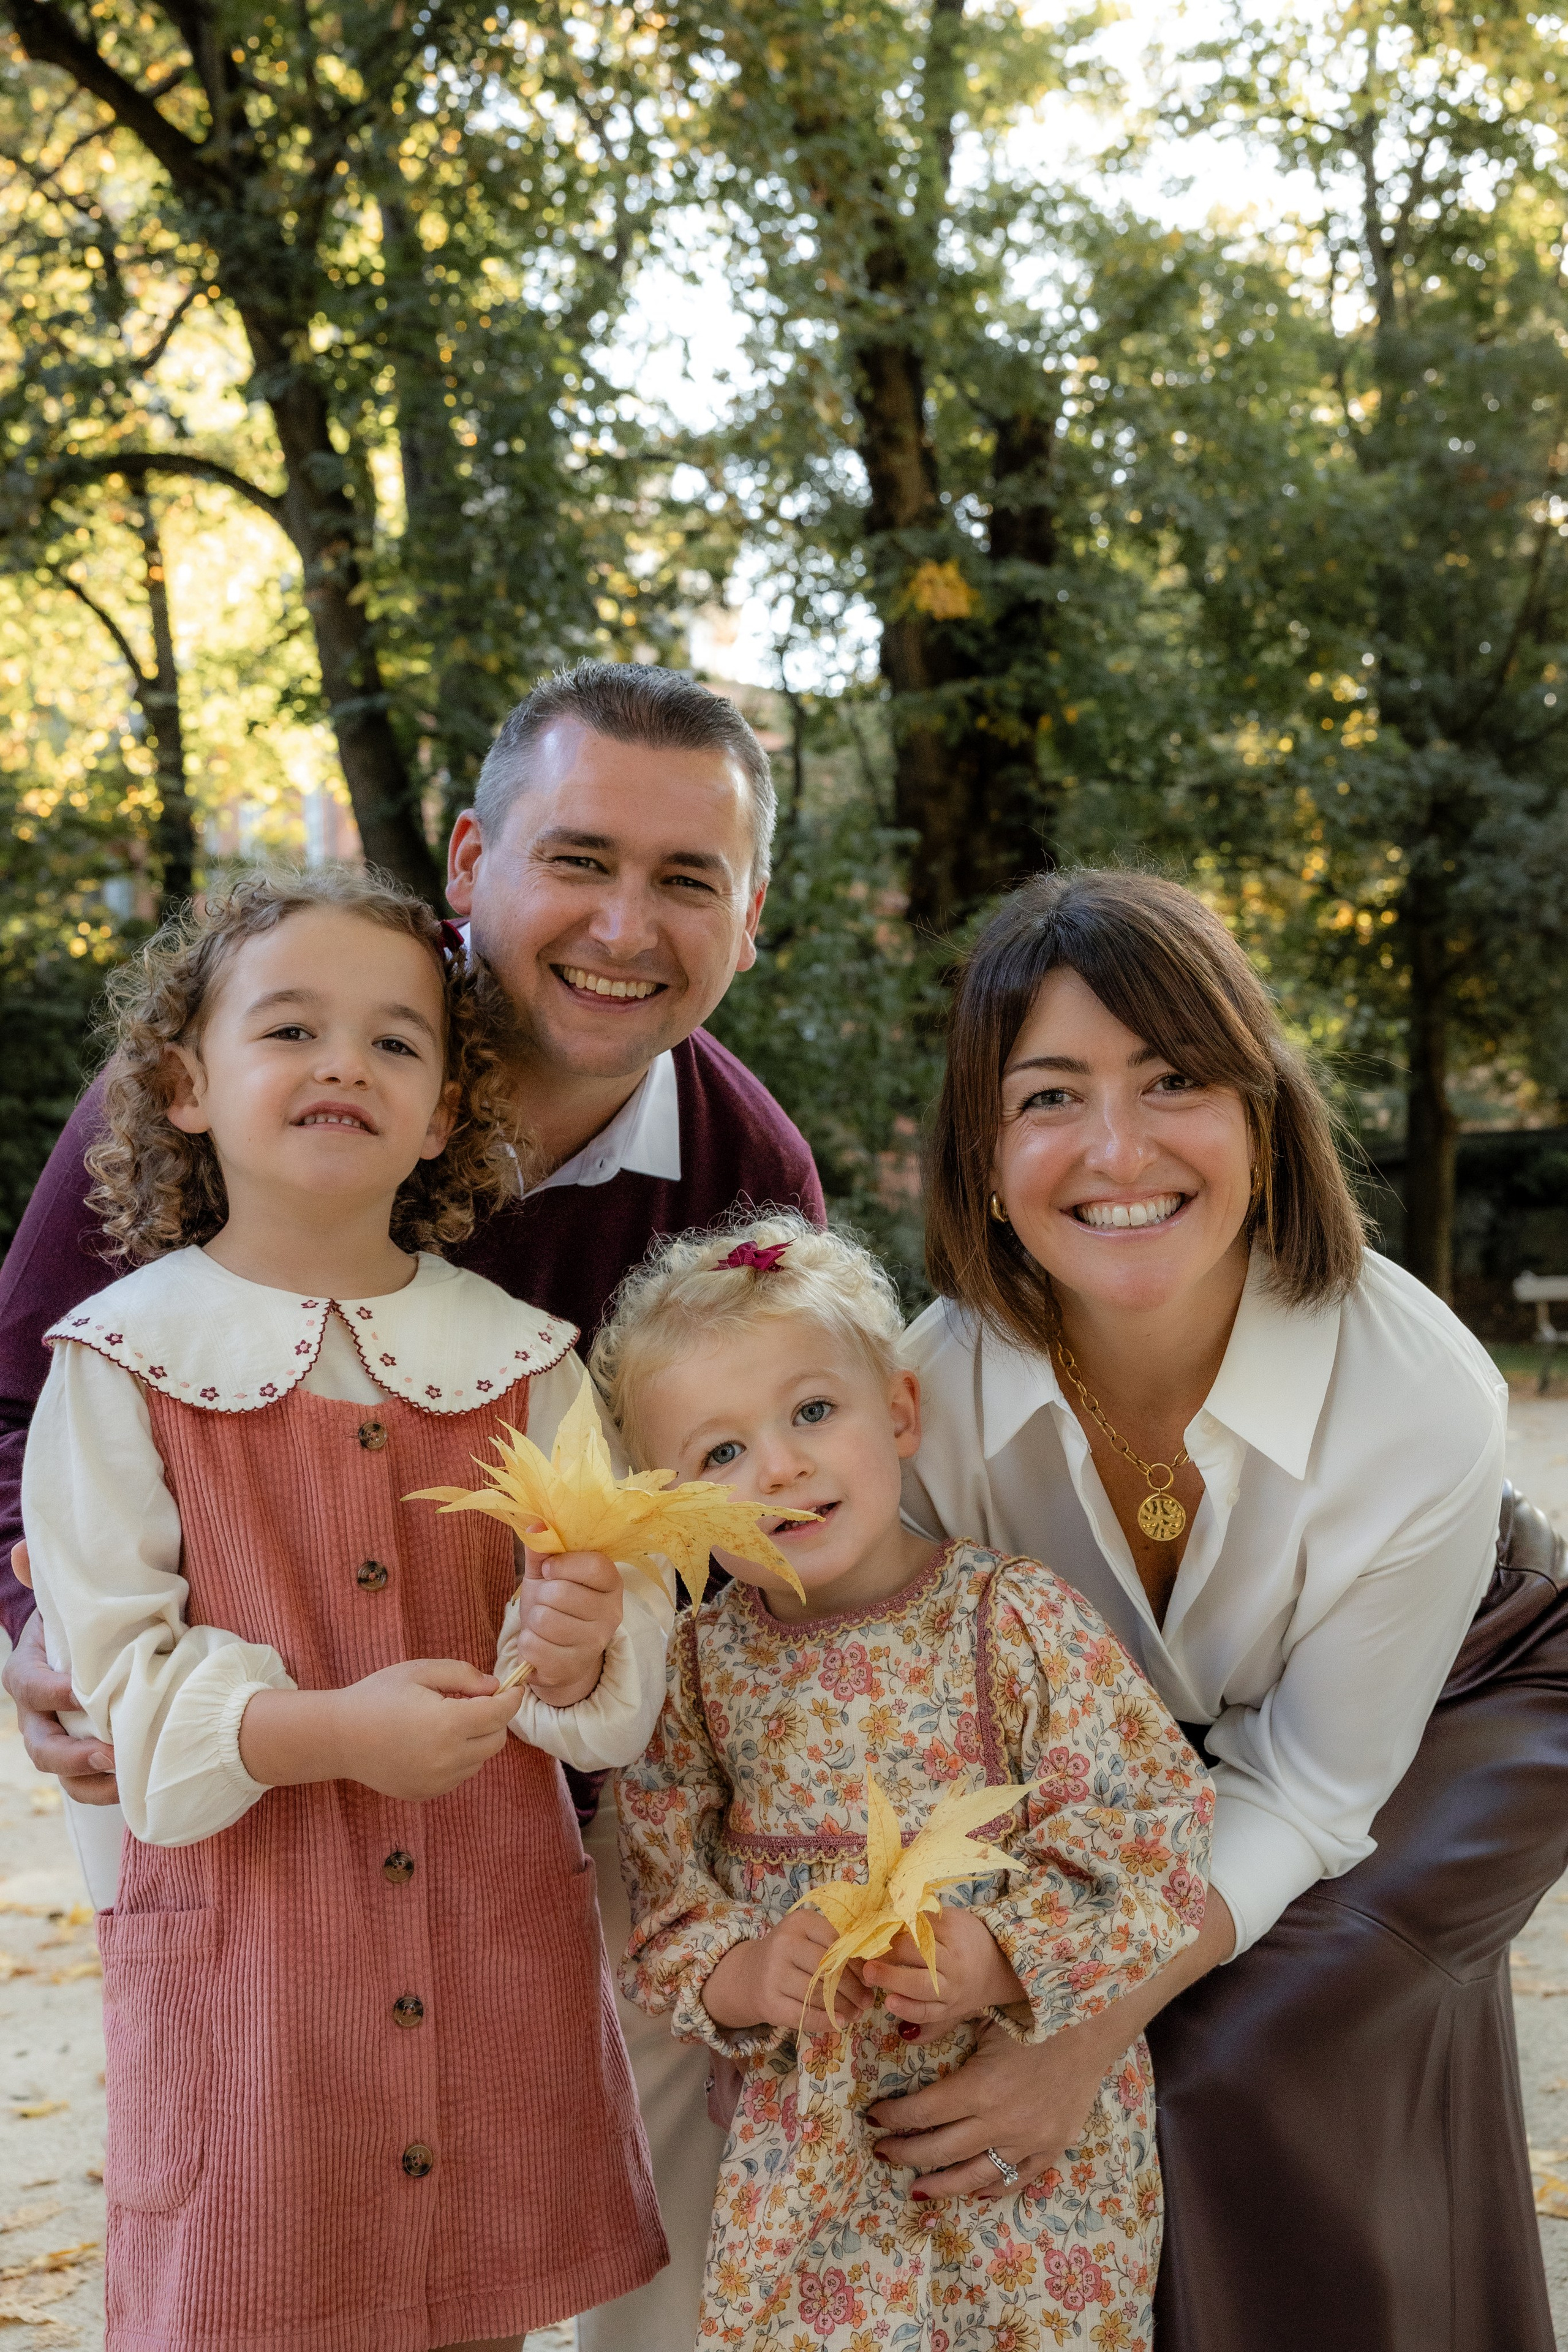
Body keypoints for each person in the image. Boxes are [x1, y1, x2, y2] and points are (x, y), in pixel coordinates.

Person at [0, 662, 823, 2351]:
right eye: (578, 857)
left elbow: (745, 1527)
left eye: (688, 879)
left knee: (522, 2167)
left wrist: (618, 1659)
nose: (624, 924)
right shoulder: (245, 1065)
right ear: (469, 862)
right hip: (212, 1749)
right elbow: (19, 1398)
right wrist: (30, 1628)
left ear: (750, 915)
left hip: (526, 1770)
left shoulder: (742, 1186)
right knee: (253, 2180)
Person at [873, 867, 1565, 2351]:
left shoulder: (1414, 1388)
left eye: (1172, 1079)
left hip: (1445, 1712)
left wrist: (1082, 2024)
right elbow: (936, 1723)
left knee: (1211, 2067)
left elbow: (1310, 1784)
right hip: (1108, 1764)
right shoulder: (922, 1393)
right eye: (1047, 1095)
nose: (1114, 1149)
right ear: (982, 1152)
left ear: (1258, 1107)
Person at [18, 868, 669, 2351]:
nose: (341, 1066)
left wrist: (575, 1649)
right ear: (186, 1083)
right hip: (254, 1973)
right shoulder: (115, 1361)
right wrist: (318, 1729)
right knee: (260, 2299)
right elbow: (115, 1670)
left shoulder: (526, 1360)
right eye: (291, 1028)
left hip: (489, 1945)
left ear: (444, 1110)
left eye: (394, 1042)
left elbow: (612, 1630)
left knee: (473, 2310)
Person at [593, 1212, 1213, 2350]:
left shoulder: (1012, 1619)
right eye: (718, 1455)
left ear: (900, 1412)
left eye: (813, 1413)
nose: (778, 1466)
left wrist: (1001, 1953)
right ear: (668, 1505)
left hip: (1031, 2173)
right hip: (810, 2155)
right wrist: (745, 1973)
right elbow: (661, 1901)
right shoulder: (698, 1670)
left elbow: (1151, 1834)